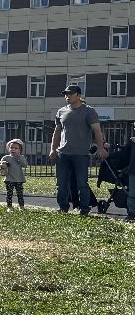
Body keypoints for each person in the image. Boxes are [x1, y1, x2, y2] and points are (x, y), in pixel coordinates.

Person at [50, 84, 107, 216]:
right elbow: (57, 133)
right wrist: (53, 149)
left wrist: (100, 148)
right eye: (66, 94)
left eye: (70, 94)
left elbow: (97, 131)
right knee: (62, 183)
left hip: (80, 154)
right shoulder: (61, 111)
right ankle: (63, 207)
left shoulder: (88, 111)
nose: (67, 96)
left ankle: (84, 209)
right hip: (63, 154)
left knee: (82, 183)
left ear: (78, 95)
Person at [0, 138, 29, 211]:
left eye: (16, 148)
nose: (13, 149)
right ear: (8, 148)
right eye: (11, 147)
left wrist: (19, 157)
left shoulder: (21, 157)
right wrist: (2, 165)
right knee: (9, 194)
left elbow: (25, 165)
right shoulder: (6, 157)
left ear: (20, 150)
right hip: (9, 179)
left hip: (19, 179)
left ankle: (21, 206)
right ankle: (9, 207)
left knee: (20, 194)